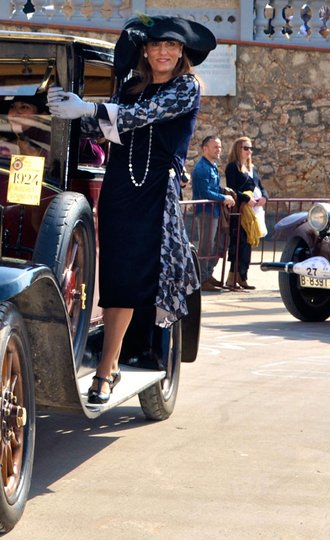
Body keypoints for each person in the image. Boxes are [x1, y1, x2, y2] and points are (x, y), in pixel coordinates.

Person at [47, 15, 214, 405]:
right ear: (145, 50)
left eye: (171, 46)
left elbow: (145, 115)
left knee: (150, 274)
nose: (163, 52)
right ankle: (110, 363)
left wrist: (87, 108)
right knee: (119, 274)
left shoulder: (186, 87)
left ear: (182, 52)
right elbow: (96, 130)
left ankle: (115, 367)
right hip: (121, 186)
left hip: (157, 191)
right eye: (156, 45)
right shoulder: (129, 87)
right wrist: (56, 105)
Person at [190, 135, 234, 290]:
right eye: (215, 147)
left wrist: (223, 194)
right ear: (205, 149)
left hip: (214, 211)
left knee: (217, 245)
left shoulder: (212, 166)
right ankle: (202, 278)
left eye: (220, 147)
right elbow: (204, 192)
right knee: (206, 245)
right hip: (206, 212)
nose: (219, 150)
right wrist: (224, 197)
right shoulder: (202, 168)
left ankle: (208, 273)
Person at [224, 137, 267, 291]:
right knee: (238, 244)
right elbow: (232, 188)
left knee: (247, 244)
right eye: (246, 148)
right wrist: (246, 197)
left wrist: (264, 197)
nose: (249, 151)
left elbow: (261, 187)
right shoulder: (232, 167)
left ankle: (243, 277)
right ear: (238, 149)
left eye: (250, 148)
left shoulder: (252, 168)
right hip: (240, 211)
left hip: (253, 212)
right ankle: (233, 278)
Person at [0, 94, 50, 158]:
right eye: (12, 107)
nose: (14, 113)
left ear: (43, 116)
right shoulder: (4, 149)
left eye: (24, 107)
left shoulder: (52, 148)